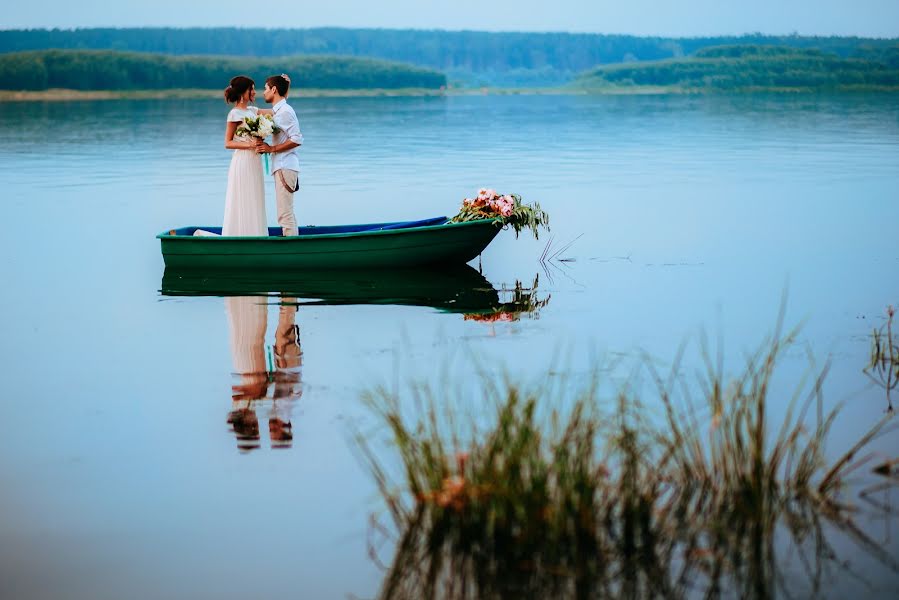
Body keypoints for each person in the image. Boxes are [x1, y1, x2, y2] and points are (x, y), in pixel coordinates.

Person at [255, 74, 303, 236]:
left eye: (265, 88)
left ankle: (292, 251)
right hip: (283, 166)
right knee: (286, 212)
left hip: (285, 166)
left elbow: (297, 139)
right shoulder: (280, 110)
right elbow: (272, 111)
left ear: (273, 90)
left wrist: (272, 149)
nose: (263, 92)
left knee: (284, 213)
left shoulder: (285, 112)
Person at [222, 75, 267, 236]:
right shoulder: (234, 114)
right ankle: (239, 235)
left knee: (255, 198)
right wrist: (250, 145)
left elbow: (277, 111)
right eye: (252, 89)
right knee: (243, 198)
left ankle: (257, 235)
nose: (255, 92)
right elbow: (228, 143)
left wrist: (285, 89)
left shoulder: (253, 111)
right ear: (243, 92)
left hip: (255, 161)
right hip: (242, 161)